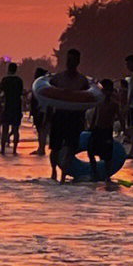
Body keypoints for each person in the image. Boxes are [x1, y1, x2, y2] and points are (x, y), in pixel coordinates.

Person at [46, 49, 92, 182]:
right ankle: (54, 170)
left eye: (73, 60)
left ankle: (63, 177)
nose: (70, 63)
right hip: (59, 116)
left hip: (74, 118)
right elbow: (50, 98)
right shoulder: (57, 78)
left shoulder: (82, 81)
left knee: (70, 148)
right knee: (55, 148)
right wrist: (48, 118)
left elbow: (86, 101)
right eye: (68, 59)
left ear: (78, 62)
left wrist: (84, 121)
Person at [87, 78, 118, 187]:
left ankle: (107, 176)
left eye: (109, 90)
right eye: (105, 90)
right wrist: (90, 128)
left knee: (107, 155)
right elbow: (95, 115)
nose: (107, 92)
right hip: (97, 129)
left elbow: (120, 117)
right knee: (91, 151)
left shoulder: (114, 104)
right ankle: (94, 172)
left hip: (107, 130)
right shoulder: (98, 102)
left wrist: (124, 128)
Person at [0, 63, 24, 154]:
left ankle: (2, 150)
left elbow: (0, 91)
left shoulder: (5, 80)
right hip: (17, 106)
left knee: (5, 129)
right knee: (16, 129)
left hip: (7, 106)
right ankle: (14, 150)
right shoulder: (19, 81)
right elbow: (21, 92)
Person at [28, 68, 50, 156]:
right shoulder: (43, 85)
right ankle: (41, 148)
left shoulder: (39, 85)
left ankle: (41, 149)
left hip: (41, 110)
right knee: (42, 130)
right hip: (41, 110)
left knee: (42, 130)